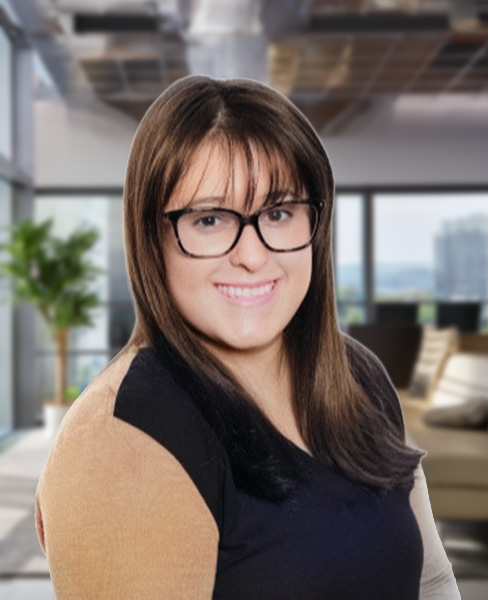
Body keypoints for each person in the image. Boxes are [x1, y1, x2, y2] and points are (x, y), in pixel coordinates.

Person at [34, 74, 460, 599]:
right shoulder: (124, 437)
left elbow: (432, 582)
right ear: (151, 237)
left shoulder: (359, 377)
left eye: (278, 213)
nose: (253, 255)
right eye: (210, 220)